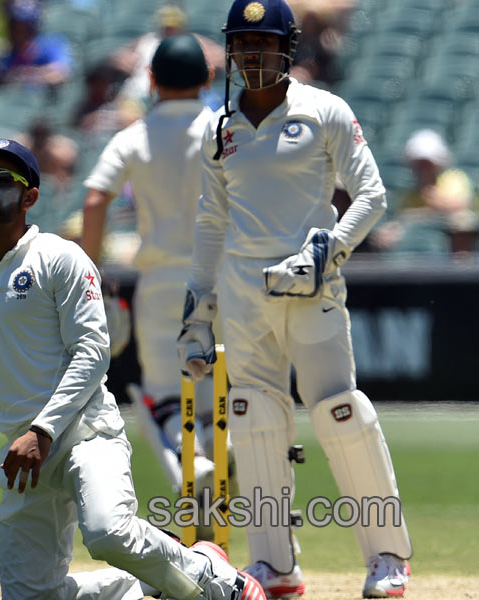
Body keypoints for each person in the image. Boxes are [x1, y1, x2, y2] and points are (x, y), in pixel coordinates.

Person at [0, 138, 265, 600]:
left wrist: (43, 429)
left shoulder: (59, 257)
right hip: (25, 458)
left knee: (108, 533)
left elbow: (93, 350)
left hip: (86, 434)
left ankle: (218, 580)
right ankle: (148, 581)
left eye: (1, 180)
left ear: (30, 197)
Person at [176, 1, 412, 597]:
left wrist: (326, 251)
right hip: (242, 293)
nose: (252, 56)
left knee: (340, 414)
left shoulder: (324, 110)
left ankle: (387, 557)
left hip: (312, 289)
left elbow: (372, 195)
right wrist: (198, 309)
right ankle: (275, 566)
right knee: (254, 418)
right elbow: (210, 221)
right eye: (242, 44)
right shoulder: (219, 127)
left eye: (263, 43)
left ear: (288, 48)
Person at [80, 34, 221, 512]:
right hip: (221, 278)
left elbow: (96, 197)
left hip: (161, 282)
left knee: (160, 396)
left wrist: (90, 273)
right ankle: (220, 458)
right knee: (219, 395)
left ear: (153, 80)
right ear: (207, 78)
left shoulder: (133, 136)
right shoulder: (224, 130)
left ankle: (192, 463)